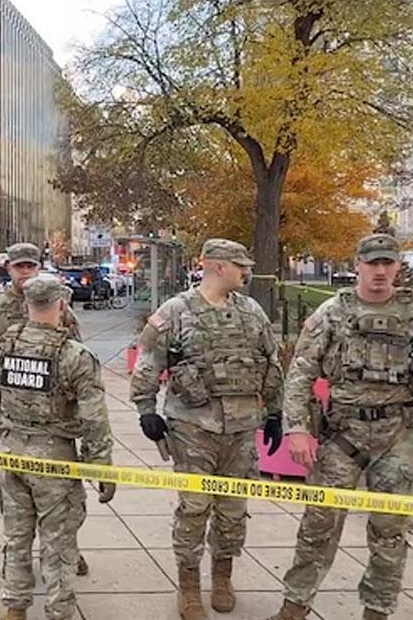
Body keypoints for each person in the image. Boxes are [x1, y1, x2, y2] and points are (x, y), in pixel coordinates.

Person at [264, 234, 413, 620]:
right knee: (319, 524)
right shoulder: (332, 313)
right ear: (357, 265)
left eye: (387, 264)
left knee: (390, 531)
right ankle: (294, 605)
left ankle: (377, 611)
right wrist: (296, 428)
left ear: (397, 267)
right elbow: (300, 374)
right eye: (372, 263)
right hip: (343, 434)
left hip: (398, 436)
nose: (379, 271)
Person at [130, 238, 284, 620]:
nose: (245, 271)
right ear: (217, 266)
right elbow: (148, 360)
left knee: (233, 508)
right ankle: (189, 589)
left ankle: (223, 577)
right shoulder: (177, 311)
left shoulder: (251, 312)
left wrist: (276, 413)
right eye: (239, 265)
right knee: (195, 507)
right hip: (193, 427)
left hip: (241, 428)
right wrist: (146, 409)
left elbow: (270, 362)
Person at [0, 275, 115, 620]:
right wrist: (102, 468)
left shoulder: (2, 347)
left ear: (26, 306)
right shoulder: (76, 355)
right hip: (55, 460)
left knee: (16, 536)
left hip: (11, 453)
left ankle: (14, 609)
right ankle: (59, 611)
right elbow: (95, 420)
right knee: (58, 544)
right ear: (62, 306)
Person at [0, 243, 88, 575]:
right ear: (8, 268)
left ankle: (65, 549)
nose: (26, 272)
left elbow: (76, 360)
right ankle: (15, 555)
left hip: (53, 423)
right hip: (8, 421)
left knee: (63, 498)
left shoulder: (61, 309)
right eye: (20, 267)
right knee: (13, 498)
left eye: (31, 266)